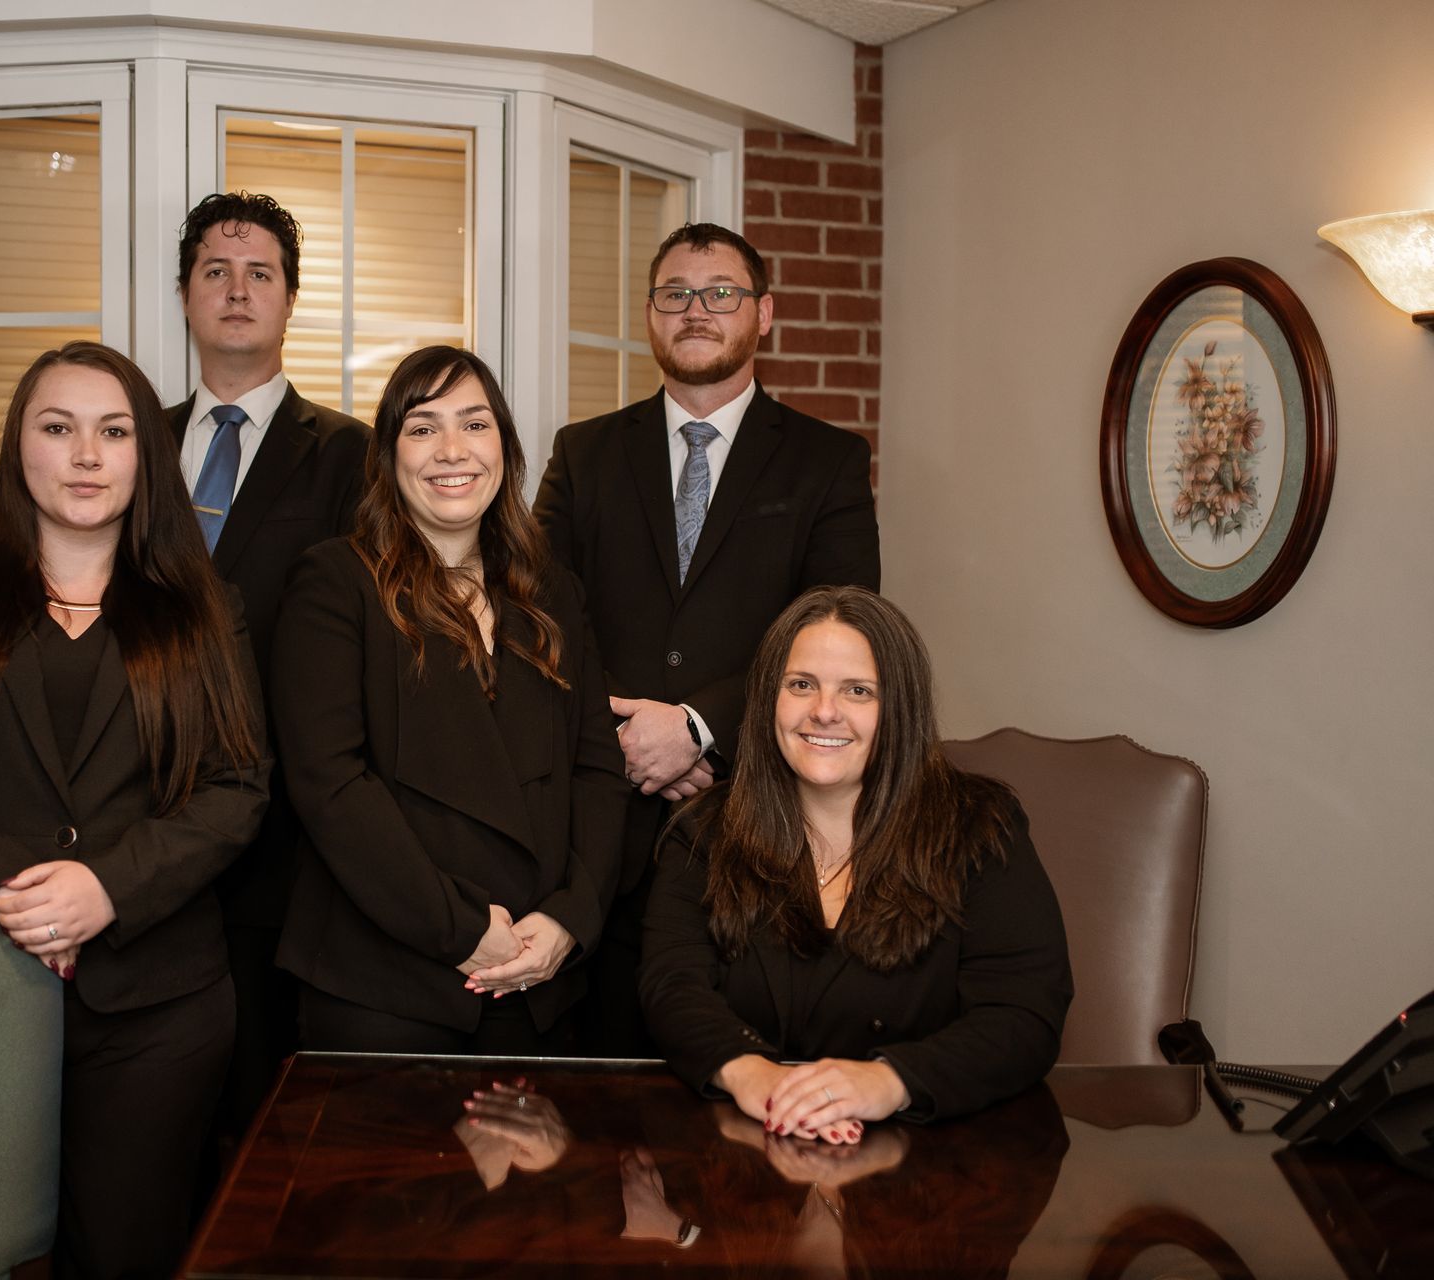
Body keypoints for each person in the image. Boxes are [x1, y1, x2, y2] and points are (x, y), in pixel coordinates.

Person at [0, 340, 268, 1279]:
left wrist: (106, 888)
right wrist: (4, 885)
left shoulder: (204, 608)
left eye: (113, 432)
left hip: (160, 1011)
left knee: (128, 1257)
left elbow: (238, 789)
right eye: (57, 428)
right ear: (18, 447)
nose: (85, 455)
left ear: (145, 453)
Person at [534, 222, 882, 1056]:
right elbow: (539, 617)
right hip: (599, 831)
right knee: (601, 1091)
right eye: (675, 294)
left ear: (763, 315)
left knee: (741, 1080)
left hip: (756, 823)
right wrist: (625, 732)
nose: (697, 309)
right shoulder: (583, 455)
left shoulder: (827, 462)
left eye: (721, 292)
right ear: (651, 317)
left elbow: (840, 628)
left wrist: (697, 725)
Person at [273, 345, 625, 1054]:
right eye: (423, 427)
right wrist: (462, 930)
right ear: (389, 455)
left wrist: (570, 921)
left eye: (475, 423)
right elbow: (331, 787)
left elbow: (597, 770)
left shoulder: (552, 591)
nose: (452, 449)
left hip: (541, 982)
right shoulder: (335, 585)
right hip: (387, 988)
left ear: (505, 445)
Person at [639, 586, 1071, 1133]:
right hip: (747, 1152)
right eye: (801, 685)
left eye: (858, 691)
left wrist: (888, 1082)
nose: (824, 712)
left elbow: (1025, 1013)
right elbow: (671, 985)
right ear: (768, 698)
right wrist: (752, 1075)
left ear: (899, 708)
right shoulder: (703, 831)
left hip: (931, 1159)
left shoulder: (981, 826)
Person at [168, 191, 372, 1133]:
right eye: (217, 270)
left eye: (261, 274)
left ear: (290, 303)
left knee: (266, 1107)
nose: (238, 290)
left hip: (287, 837)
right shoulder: (128, 445)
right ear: (185, 296)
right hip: (141, 824)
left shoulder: (354, 457)